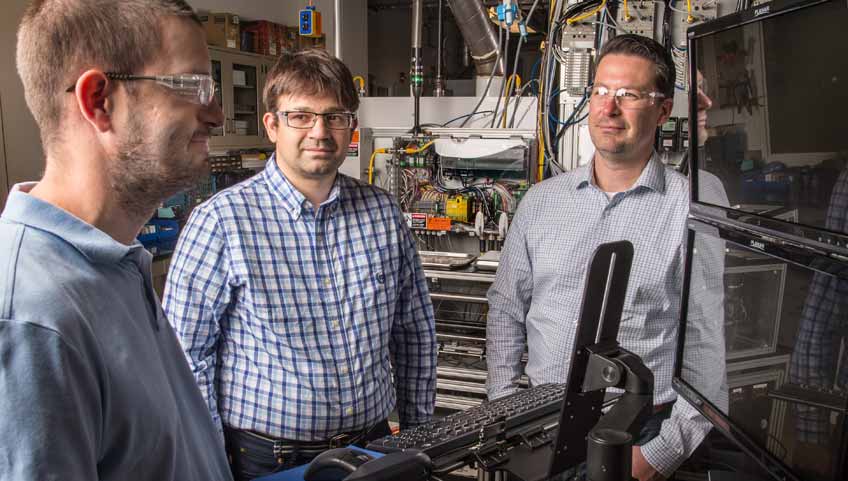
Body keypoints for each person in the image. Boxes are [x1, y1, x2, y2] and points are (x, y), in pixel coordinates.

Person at [163, 48, 437, 480]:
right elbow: (185, 360)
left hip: (374, 446)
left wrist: (419, 436)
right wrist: (211, 461)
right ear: (272, 125)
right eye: (301, 116)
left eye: (335, 116)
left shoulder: (383, 213)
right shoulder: (222, 221)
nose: (320, 131)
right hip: (268, 460)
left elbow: (414, 331)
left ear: (351, 127)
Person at [0, 1, 230, 480]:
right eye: (192, 87)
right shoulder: (32, 315)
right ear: (99, 100)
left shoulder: (115, 266)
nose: (215, 114)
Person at [487, 34, 714, 481]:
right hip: (536, 428)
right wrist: (503, 407)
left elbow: (710, 351)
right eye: (600, 91)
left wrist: (657, 456)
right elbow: (506, 308)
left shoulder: (691, 209)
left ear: (663, 110)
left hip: (639, 434)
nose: (608, 109)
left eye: (628, 95)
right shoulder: (541, 201)